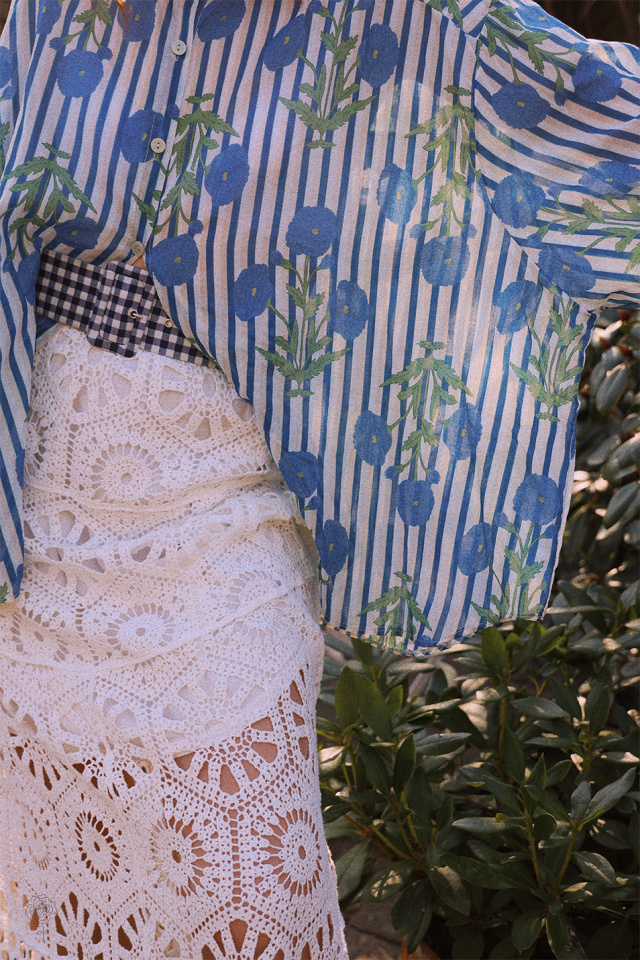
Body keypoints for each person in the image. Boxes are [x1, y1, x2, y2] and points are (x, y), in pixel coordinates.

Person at [0, 0, 637, 957]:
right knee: (52, 910)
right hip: (36, 552)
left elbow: (600, 141)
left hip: (224, 550)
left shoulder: (430, 22)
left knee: (244, 898)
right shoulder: (50, 12)